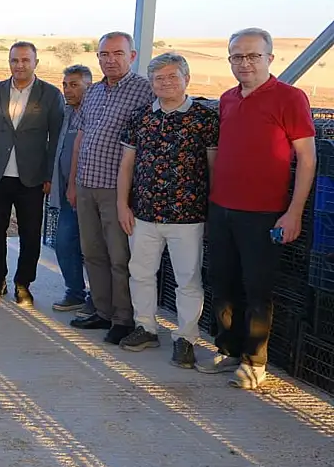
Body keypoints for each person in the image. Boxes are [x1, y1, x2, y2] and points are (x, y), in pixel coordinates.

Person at [202, 27, 315, 390]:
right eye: (237, 56)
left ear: (270, 58)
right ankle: (228, 349)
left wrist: (293, 212)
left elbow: (307, 158)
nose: (245, 63)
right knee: (222, 282)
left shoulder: (290, 98)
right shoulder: (227, 99)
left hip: (264, 213)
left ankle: (254, 361)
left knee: (257, 288)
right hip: (222, 209)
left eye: (253, 55)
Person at [116, 52, 218, 367]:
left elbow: (214, 168)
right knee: (141, 273)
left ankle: (185, 338)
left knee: (188, 279)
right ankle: (145, 327)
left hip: (188, 216)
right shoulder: (140, 116)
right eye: (158, 78)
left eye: (173, 76)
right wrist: (122, 204)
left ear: (187, 78)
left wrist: (212, 211)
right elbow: (127, 165)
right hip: (143, 213)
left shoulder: (205, 118)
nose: (166, 83)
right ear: (151, 83)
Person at [68, 31, 155, 344]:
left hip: (117, 190)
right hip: (86, 184)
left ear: (132, 56)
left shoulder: (145, 90)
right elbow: (81, 137)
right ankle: (102, 311)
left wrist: (128, 197)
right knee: (92, 252)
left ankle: (123, 318)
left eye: (118, 53)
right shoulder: (93, 92)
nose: (111, 60)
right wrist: (72, 182)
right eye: (104, 54)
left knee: (119, 257)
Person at [0, 42, 64, 306]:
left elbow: (56, 139)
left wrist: (50, 176)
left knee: (30, 233)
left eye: (26, 60)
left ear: (36, 62)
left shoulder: (51, 95)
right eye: (15, 60)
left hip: (32, 178)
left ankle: (23, 283)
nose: (20, 65)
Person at [48, 65, 93, 314]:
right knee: (64, 242)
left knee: (93, 248)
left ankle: (97, 299)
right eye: (65, 84)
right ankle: (75, 292)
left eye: (74, 85)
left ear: (89, 86)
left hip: (90, 192)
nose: (67, 90)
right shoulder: (65, 113)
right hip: (67, 193)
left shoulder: (95, 114)